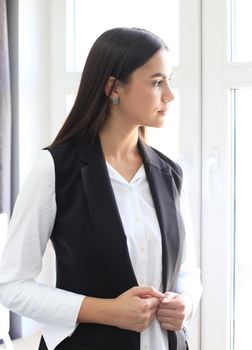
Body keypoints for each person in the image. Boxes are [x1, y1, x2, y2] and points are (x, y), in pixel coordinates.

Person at [0, 27, 202, 350]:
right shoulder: (55, 168)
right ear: (113, 88)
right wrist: (108, 311)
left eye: (169, 80)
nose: (169, 95)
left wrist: (186, 303)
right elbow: (11, 285)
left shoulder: (170, 174)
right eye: (156, 82)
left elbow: (188, 271)